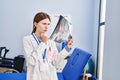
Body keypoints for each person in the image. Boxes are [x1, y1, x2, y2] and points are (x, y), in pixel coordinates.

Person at [23, 12, 74, 80]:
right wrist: (43, 43)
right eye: (44, 24)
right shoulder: (27, 40)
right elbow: (31, 61)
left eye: (48, 24)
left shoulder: (50, 42)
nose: (46, 27)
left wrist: (67, 48)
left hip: (50, 76)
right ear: (35, 24)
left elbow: (55, 61)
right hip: (35, 76)